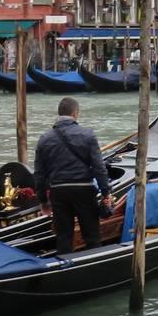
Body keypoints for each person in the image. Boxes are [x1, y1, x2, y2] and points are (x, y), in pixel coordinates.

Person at [33, 96, 113, 252]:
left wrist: (43, 200)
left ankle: (64, 268)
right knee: (92, 236)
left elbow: (39, 174)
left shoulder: (44, 139)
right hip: (84, 190)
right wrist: (106, 193)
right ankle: (94, 266)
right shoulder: (88, 135)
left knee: (63, 237)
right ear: (75, 113)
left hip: (58, 192)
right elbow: (99, 167)